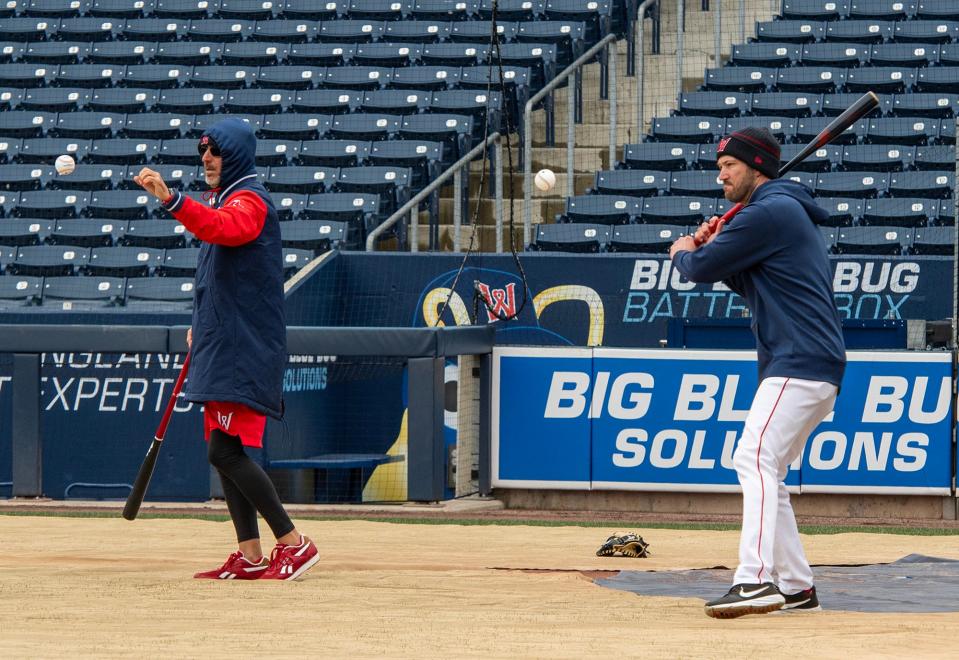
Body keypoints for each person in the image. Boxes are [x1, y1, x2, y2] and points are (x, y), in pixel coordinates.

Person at [669, 127, 846, 618]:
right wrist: (719, 245)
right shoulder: (774, 214)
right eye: (720, 166)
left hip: (800, 359)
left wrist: (685, 250)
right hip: (806, 361)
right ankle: (795, 585)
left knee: (753, 458)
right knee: (768, 468)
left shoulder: (769, 211)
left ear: (756, 167)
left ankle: (755, 580)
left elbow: (698, 268)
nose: (721, 174)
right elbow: (741, 278)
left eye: (729, 166)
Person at [134, 118, 319, 581]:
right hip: (222, 340)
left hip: (244, 346)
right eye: (202, 153)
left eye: (214, 151)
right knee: (222, 447)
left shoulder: (249, 201)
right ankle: (251, 553)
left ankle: (294, 544)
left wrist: (173, 200)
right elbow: (212, 280)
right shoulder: (226, 197)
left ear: (234, 153)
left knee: (225, 452)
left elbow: (224, 230)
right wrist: (200, 325)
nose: (206, 160)